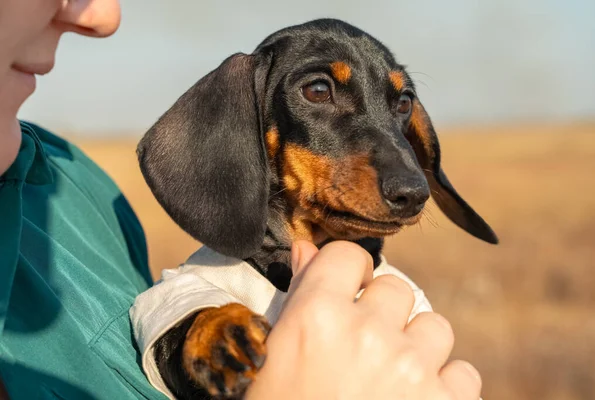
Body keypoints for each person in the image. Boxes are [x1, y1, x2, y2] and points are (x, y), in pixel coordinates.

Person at [0, 1, 481, 399]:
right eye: (318, 91)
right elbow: (166, 321)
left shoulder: (75, 190)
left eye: (400, 107)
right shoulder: (209, 292)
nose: (408, 184)